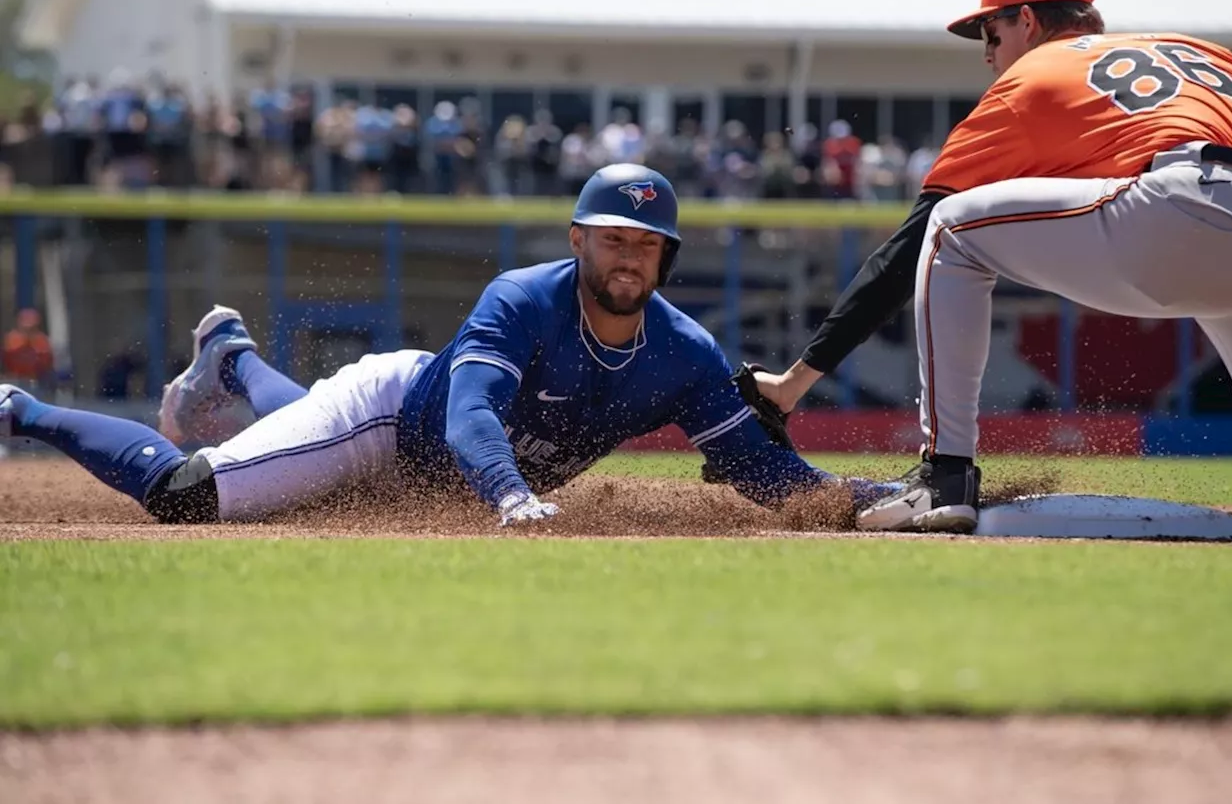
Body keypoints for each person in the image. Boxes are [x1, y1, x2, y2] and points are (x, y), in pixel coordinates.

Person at [0, 164, 897, 527]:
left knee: (307, 459)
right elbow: (470, 412)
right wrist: (509, 494)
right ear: (578, 238)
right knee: (190, 495)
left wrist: (856, 500)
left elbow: (752, 464)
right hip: (391, 416)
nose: (630, 255)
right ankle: (20, 405)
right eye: (613, 236)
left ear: (668, 257)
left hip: (435, 465)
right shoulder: (522, 298)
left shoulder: (687, 351)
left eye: (647, 244)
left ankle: (232, 357)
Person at [750, 0, 1232, 533]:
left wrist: (794, 380)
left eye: (990, 31)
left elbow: (909, 247)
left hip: (1185, 210)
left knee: (951, 228)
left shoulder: (1032, 76)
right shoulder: (1207, 54)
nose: (988, 54)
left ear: (1027, 21)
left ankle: (944, 475)